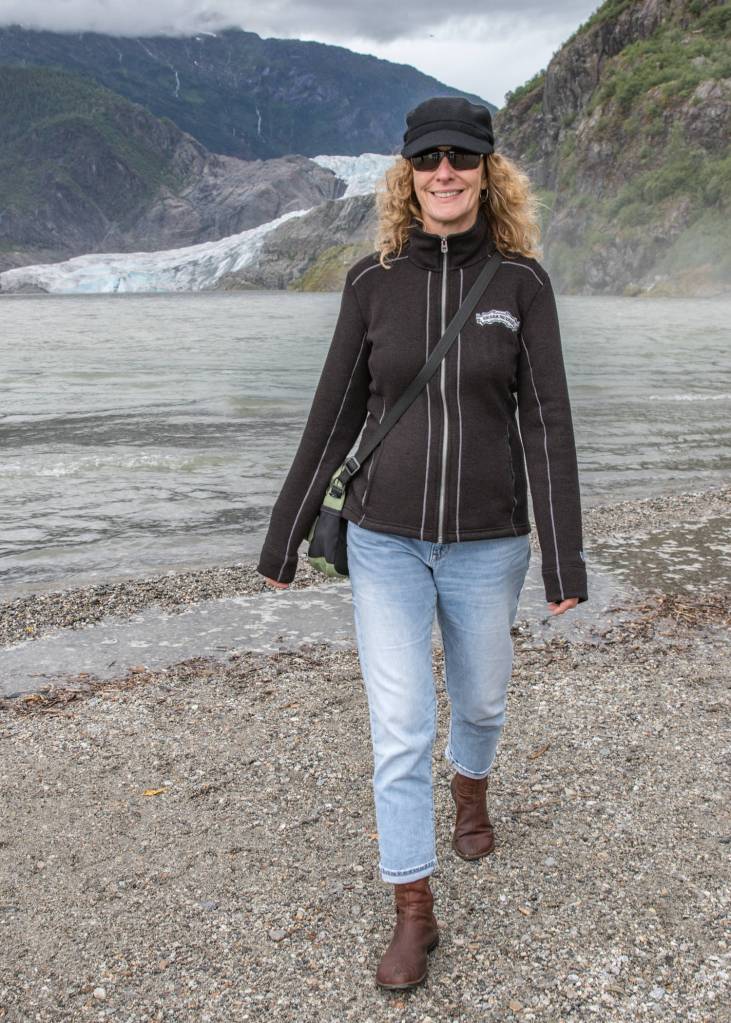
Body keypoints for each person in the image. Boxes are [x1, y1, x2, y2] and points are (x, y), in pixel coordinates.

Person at [257, 96, 588, 989]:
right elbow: (331, 417)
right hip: (385, 541)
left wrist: (563, 557)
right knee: (399, 730)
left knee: (478, 707)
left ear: (487, 170)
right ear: (407, 172)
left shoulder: (522, 284)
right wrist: (283, 538)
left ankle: (471, 792)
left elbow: (546, 424)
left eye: (463, 156)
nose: (446, 171)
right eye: (429, 157)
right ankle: (413, 911)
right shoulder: (372, 282)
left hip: (488, 544)